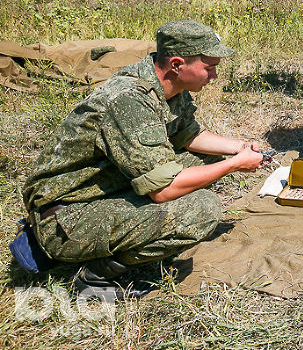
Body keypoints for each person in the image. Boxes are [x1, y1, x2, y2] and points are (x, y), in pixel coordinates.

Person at [20, 20, 265, 297]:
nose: (215, 75)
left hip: (102, 191)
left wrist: (239, 147)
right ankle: (96, 277)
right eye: (209, 67)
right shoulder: (129, 100)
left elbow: (187, 135)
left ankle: (126, 238)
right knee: (203, 209)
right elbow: (164, 191)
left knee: (205, 161)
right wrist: (233, 165)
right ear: (177, 64)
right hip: (65, 219)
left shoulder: (168, 85)